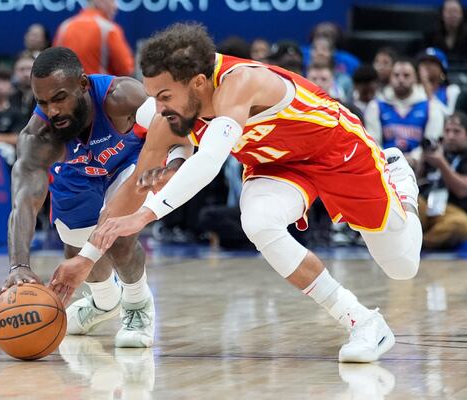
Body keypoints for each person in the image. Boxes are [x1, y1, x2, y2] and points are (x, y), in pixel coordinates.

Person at [56, 23, 423, 363]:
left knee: (402, 267)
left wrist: (145, 215)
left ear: (198, 83)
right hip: (274, 165)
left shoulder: (241, 81)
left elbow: (211, 160)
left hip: (335, 151)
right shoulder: (170, 113)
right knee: (258, 222)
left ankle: (399, 182)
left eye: (164, 95)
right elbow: (138, 183)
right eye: (153, 95)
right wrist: (85, 258)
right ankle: (362, 322)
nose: (159, 107)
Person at [0, 47, 187, 348]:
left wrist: (175, 162)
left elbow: (175, 130)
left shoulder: (122, 96)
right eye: (43, 102)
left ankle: (137, 305)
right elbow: (24, 203)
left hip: (130, 162)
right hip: (77, 176)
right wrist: (18, 265)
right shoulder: (39, 137)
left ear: (83, 85)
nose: (53, 110)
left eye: (59, 98)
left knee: (117, 233)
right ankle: (104, 301)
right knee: (77, 252)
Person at [417, 112, 467, 249]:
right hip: (428, 206)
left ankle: (421, 244)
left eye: (456, 132)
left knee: (461, 226)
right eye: (447, 131)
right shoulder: (436, 151)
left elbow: (463, 190)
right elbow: (417, 182)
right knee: (408, 200)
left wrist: (442, 164)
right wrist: (422, 161)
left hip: (456, 212)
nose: (450, 136)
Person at [364, 58, 445, 155]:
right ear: (390, 78)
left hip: (420, 166)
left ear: (416, 78)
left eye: (406, 76)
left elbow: (431, 142)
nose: (401, 79)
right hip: (385, 164)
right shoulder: (375, 106)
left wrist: (415, 158)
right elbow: (373, 142)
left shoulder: (430, 107)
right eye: (396, 75)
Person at [53, 0, 134, 76]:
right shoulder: (109, 29)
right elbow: (126, 69)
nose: (116, 6)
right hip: (100, 90)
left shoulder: (65, 27)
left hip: (69, 89)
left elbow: (54, 65)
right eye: (112, 0)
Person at [417, 47, 460, 115]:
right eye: (423, 62)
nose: (427, 66)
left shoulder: (451, 90)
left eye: (432, 62)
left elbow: (449, 115)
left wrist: (429, 92)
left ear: (442, 69)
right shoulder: (413, 89)